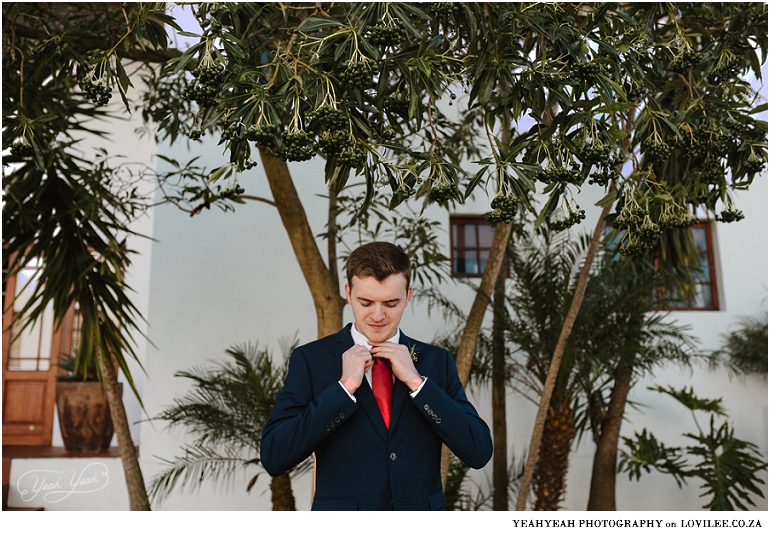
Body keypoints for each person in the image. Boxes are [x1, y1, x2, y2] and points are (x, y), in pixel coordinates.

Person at [261, 241, 492, 510]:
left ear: (408, 295)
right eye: (366, 302)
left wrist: (417, 383)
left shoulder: (436, 362)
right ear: (348, 293)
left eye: (391, 303)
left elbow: (478, 451)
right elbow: (274, 455)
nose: (378, 315)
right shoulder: (311, 360)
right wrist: (343, 389)